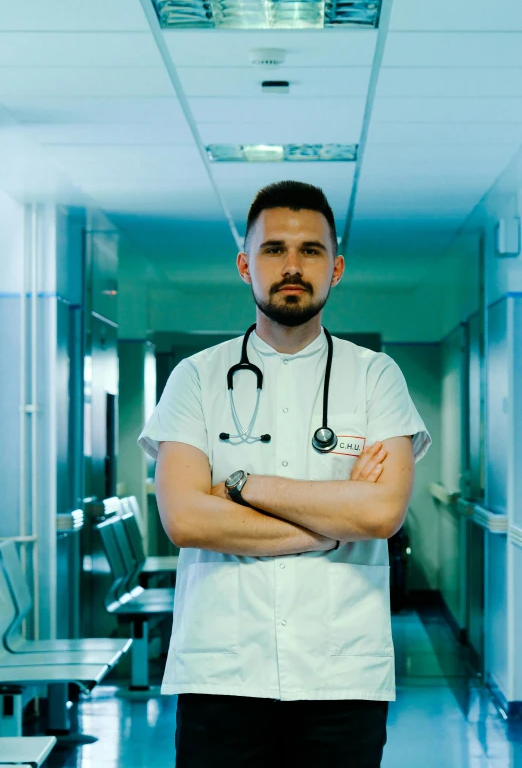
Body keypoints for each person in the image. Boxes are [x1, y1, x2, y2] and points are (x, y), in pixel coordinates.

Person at [138, 180, 432, 767]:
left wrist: (245, 487)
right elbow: (186, 518)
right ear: (245, 265)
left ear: (336, 268)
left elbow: (379, 513)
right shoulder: (196, 379)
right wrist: (331, 522)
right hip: (221, 674)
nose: (292, 266)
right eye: (274, 250)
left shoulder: (377, 377)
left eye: (311, 251)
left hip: (341, 675)